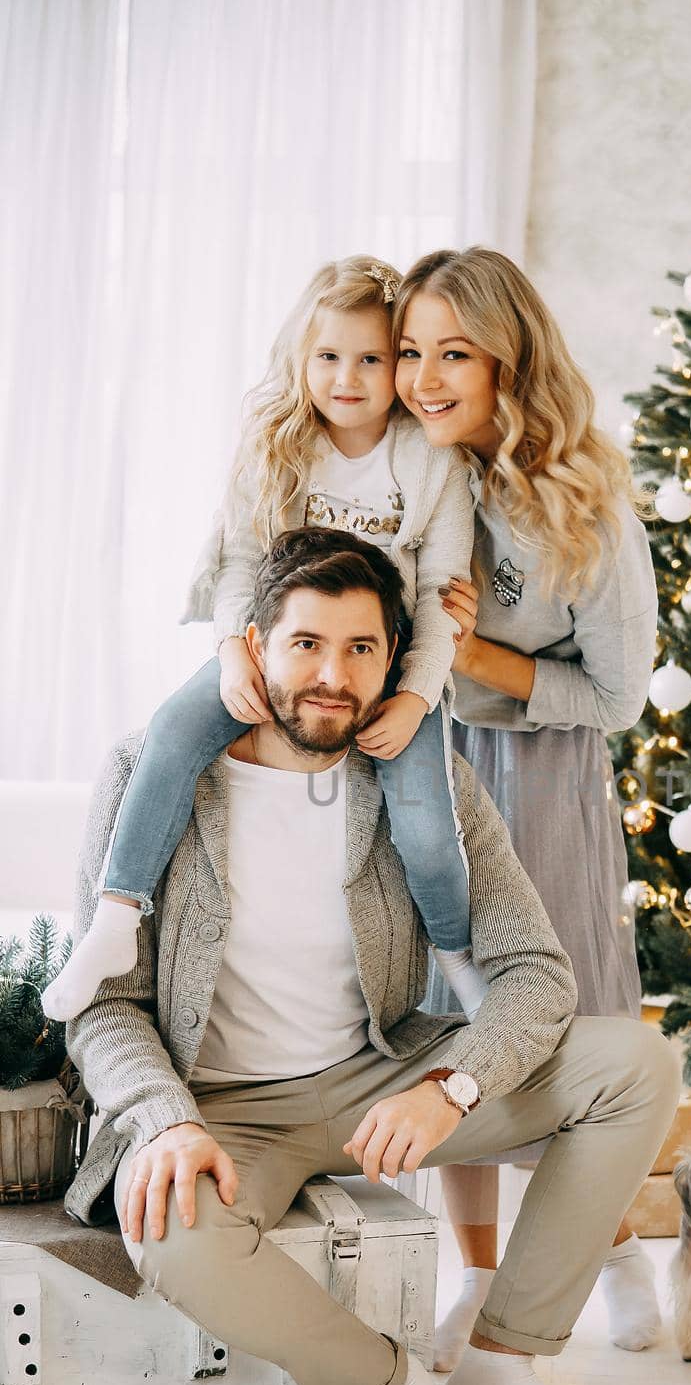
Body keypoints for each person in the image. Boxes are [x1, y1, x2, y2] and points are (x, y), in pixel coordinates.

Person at [63, 527, 681, 1385]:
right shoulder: (152, 770)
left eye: (361, 650)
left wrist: (451, 1087)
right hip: (219, 1105)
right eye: (306, 643)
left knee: (636, 1064)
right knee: (170, 1233)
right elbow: (103, 1003)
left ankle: (502, 1361)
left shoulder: (418, 781)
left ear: (393, 662)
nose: (332, 676)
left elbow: (535, 973)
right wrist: (164, 1119)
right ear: (254, 642)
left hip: (376, 1078)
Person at [43, 255, 484, 1025]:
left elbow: (442, 596)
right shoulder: (277, 442)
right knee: (172, 734)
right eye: (328, 356)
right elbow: (240, 562)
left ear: (398, 365)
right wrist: (230, 651)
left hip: (385, 666)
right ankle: (116, 917)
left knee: (426, 819)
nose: (347, 377)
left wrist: (415, 696)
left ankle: (454, 955)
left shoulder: (431, 459)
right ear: (301, 358)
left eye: (371, 359)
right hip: (279, 650)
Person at [390, 248, 664, 1364]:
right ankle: (479, 1271)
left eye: (452, 351)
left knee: (567, 1019)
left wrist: (485, 654)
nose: (421, 375)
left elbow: (618, 695)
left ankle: (614, 1246)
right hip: (424, 768)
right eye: (410, 349)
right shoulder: (405, 474)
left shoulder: (586, 511)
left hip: (540, 783)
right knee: (453, 1021)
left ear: (510, 360)